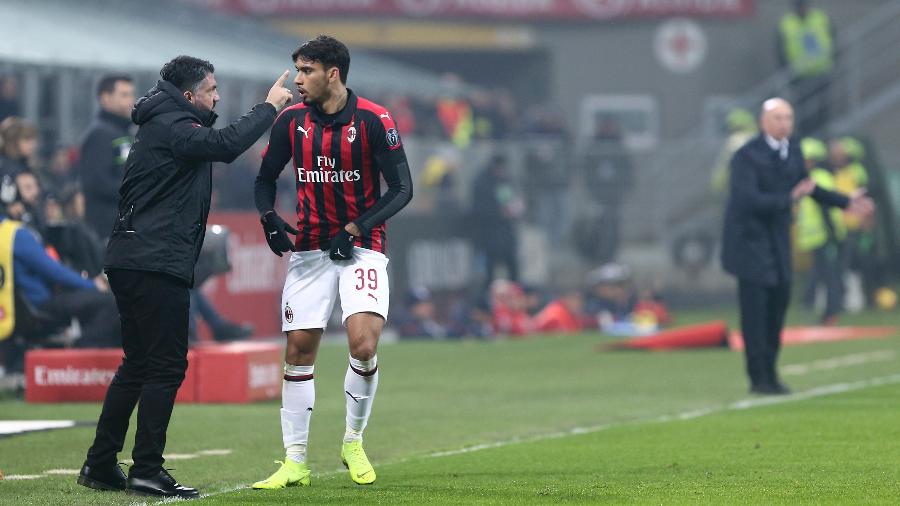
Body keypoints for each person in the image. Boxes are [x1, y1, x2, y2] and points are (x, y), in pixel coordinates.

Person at [77, 56, 292, 498]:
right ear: (190, 94)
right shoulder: (174, 125)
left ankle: (100, 463)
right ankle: (146, 470)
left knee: (137, 364)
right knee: (166, 365)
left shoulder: (161, 120)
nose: (217, 97)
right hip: (154, 258)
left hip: (134, 256)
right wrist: (268, 108)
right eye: (212, 90)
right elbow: (227, 144)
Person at [251, 35, 413, 490]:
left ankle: (353, 441)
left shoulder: (374, 120)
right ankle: (294, 462)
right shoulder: (290, 122)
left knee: (363, 344)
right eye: (298, 70)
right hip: (309, 250)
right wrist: (268, 218)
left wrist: (356, 228)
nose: (298, 80)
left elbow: (402, 190)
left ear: (332, 74)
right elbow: (264, 179)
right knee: (298, 352)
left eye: (306, 71)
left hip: (361, 245)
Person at [720, 98, 872, 395]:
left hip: (777, 242)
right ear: (764, 121)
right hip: (749, 243)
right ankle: (758, 377)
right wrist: (788, 200)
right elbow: (747, 200)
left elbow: (808, 187)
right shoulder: (746, 156)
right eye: (778, 118)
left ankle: (772, 372)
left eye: (788, 117)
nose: (784, 123)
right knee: (755, 313)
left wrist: (846, 202)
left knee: (777, 308)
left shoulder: (794, 151)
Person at [78, 74, 136, 241]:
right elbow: (97, 181)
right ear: (105, 98)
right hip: (107, 229)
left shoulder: (125, 133)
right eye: (124, 95)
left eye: (131, 94)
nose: (131, 100)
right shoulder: (99, 134)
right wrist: (137, 190)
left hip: (127, 224)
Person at [796, 137, 846, 325]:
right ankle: (823, 309)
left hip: (824, 235)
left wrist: (831, 232)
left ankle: (831, 312)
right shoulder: (810, 177)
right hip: (816, 237)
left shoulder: (818, 177)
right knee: (822, 273)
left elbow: (825, 206)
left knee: (829, 274)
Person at [777, 0, 836, 136]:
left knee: (822, 107)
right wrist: (787, 72)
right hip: (799, 75)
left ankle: (823, 133)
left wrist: (834, 62)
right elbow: (780, 50)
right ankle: (806, 134)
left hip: (821, 71)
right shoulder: (787, 23)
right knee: (803, 109)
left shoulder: (820, 18)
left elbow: (834, 39)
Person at [470, 155, 523, 290]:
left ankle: (514, 294)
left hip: (506, 235)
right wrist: (499, 213)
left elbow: (509, 200)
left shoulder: (504, 182)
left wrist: (514, 209)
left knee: (513, 268)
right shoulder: (481, 183)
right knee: (489, 272)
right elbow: (479, 209)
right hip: (489, 235)